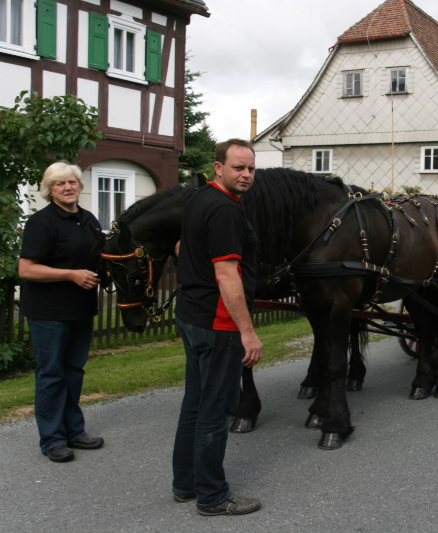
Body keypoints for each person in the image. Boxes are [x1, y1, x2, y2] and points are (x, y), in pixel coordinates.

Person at [172, 139, 263, 516]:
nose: (246, 175)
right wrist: (247, 332)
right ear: (218, 167)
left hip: (191, 316)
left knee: (195, 404)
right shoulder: (225, 210)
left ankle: (186, 485)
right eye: (238, 167)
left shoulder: (198, 197)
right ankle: (212, 496)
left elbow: (182, 247)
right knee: (216, 410)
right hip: (218, 324)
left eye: (251, 169)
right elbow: (227, 275)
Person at [18, 161, 104, 463]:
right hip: (49, 313)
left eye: (72, 182)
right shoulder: (41, 223)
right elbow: (27, 269)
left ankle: (74, 431)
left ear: (79, 186)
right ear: (50, 190)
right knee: (52, 374)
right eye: (60, 183)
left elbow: (97, 259)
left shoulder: (88, 219)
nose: (68, 187)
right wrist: (70, 274)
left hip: (81, 309)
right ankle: (53, 439)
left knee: (73, 372)